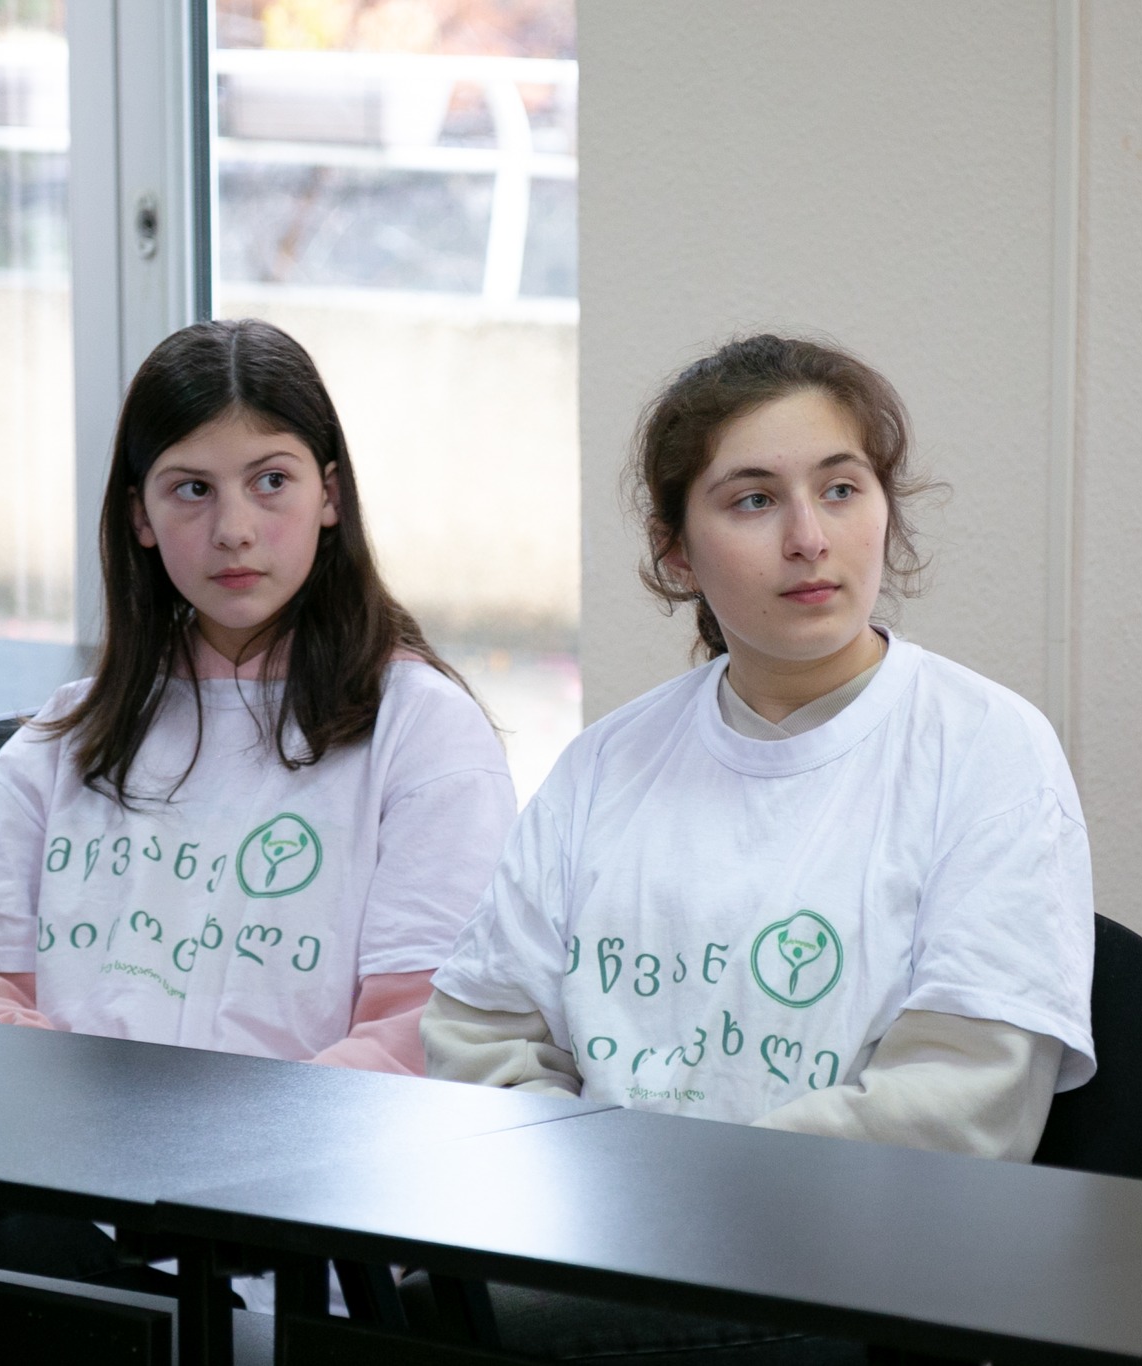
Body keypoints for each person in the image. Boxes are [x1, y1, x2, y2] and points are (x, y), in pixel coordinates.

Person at [418, 334, 1095, 1358]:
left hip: (855, 1274)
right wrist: (593, 1199)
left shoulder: (986, 748)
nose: (808, 538)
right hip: (600, 1241)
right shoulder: (608, 763)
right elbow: (483, 1037)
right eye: (752, 500)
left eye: (840, 489)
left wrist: (671, 1197)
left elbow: (962, 1106)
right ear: (675, 552)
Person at [0, 318, 515, 1282]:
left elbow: (422, 1038)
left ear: (330, 495)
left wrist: (201, 1164)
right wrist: (104, 1153)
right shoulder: (63, 737)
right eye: (191, 489)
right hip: (70, 1204)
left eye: (271, 480)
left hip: (298, 1240)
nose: (234, 529)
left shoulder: (423, 733)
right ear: (139, 515)